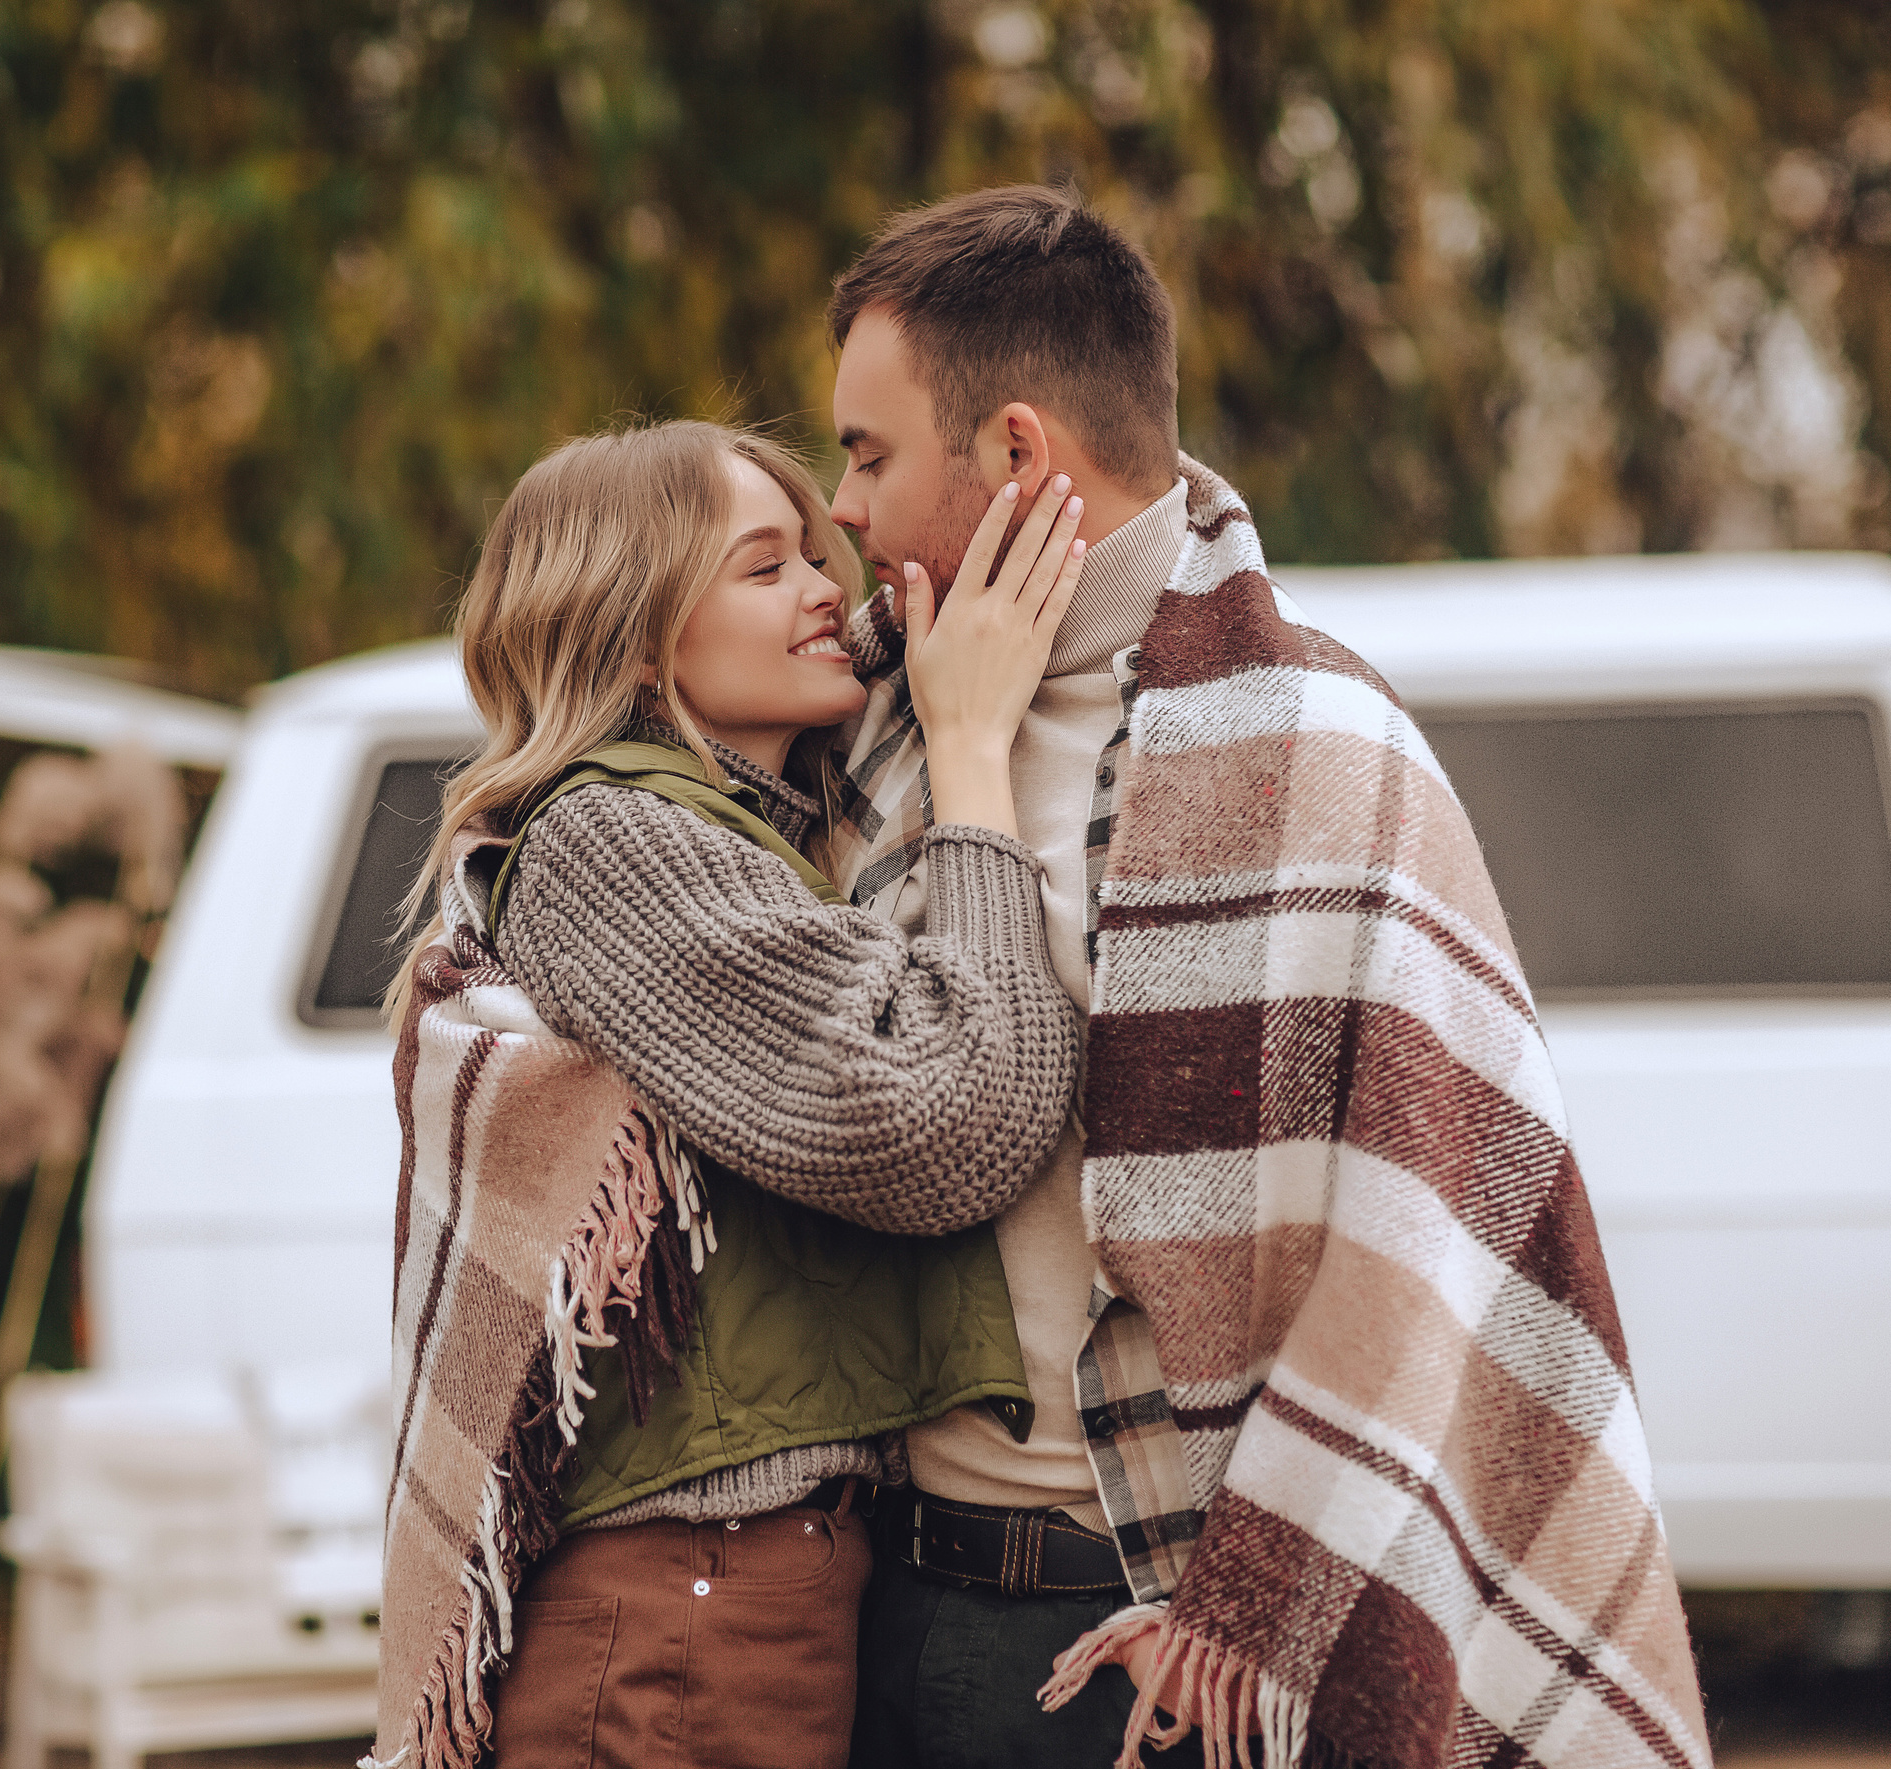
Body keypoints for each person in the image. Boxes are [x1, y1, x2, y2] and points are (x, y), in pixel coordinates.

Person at [822, 186, 1710, 1769]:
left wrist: (1250, 1610)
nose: (843, 507)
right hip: (897, 1616)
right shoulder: (867, 728)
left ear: (1017, 453)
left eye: (868, 454)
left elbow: (1433, 1223)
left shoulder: (1325, 746)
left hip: (1184, 1667)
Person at [374, 419, 1092, 1769]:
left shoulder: (750, 830)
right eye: (767, 569)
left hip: (749, 1595)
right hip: (679, 1620)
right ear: (639, 640)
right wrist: (977, 750)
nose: (827, 589)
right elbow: (948, 1120)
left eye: (820, 558)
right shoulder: (616, 837)